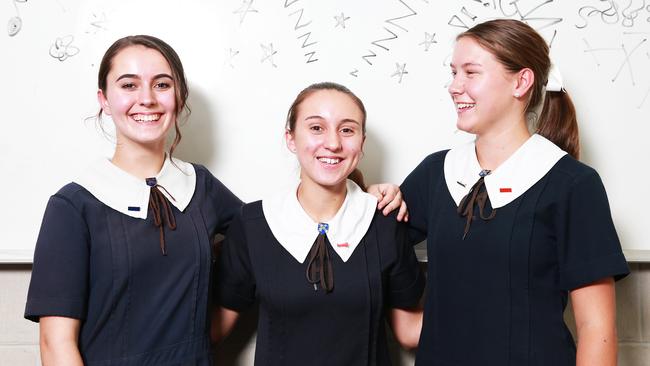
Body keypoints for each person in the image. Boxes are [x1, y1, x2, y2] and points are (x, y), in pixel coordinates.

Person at [399, 19, 630, 365]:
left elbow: (596, 328)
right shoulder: (435, 173)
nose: (454, 86)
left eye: (471, 73)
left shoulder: (572, 184)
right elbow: (381, 245)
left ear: (521, 82)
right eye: (454, 72)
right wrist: (407, 325)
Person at [24, 35, 244, 365]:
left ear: (178, 96)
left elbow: (258, 242)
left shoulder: (202, 188)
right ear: (104, 99)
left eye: (162, 85)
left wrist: (214, 327)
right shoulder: (73, 206)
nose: (147, 99)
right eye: (128, 85)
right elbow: (56, 344)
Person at [214, 82, 425, 365]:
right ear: (291, 138)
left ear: (361, 143)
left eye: (347, 130)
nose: (333, 143)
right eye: (316, 128)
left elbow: (409, 332)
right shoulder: (253, 224)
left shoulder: (384, 222)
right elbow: (214, 329)